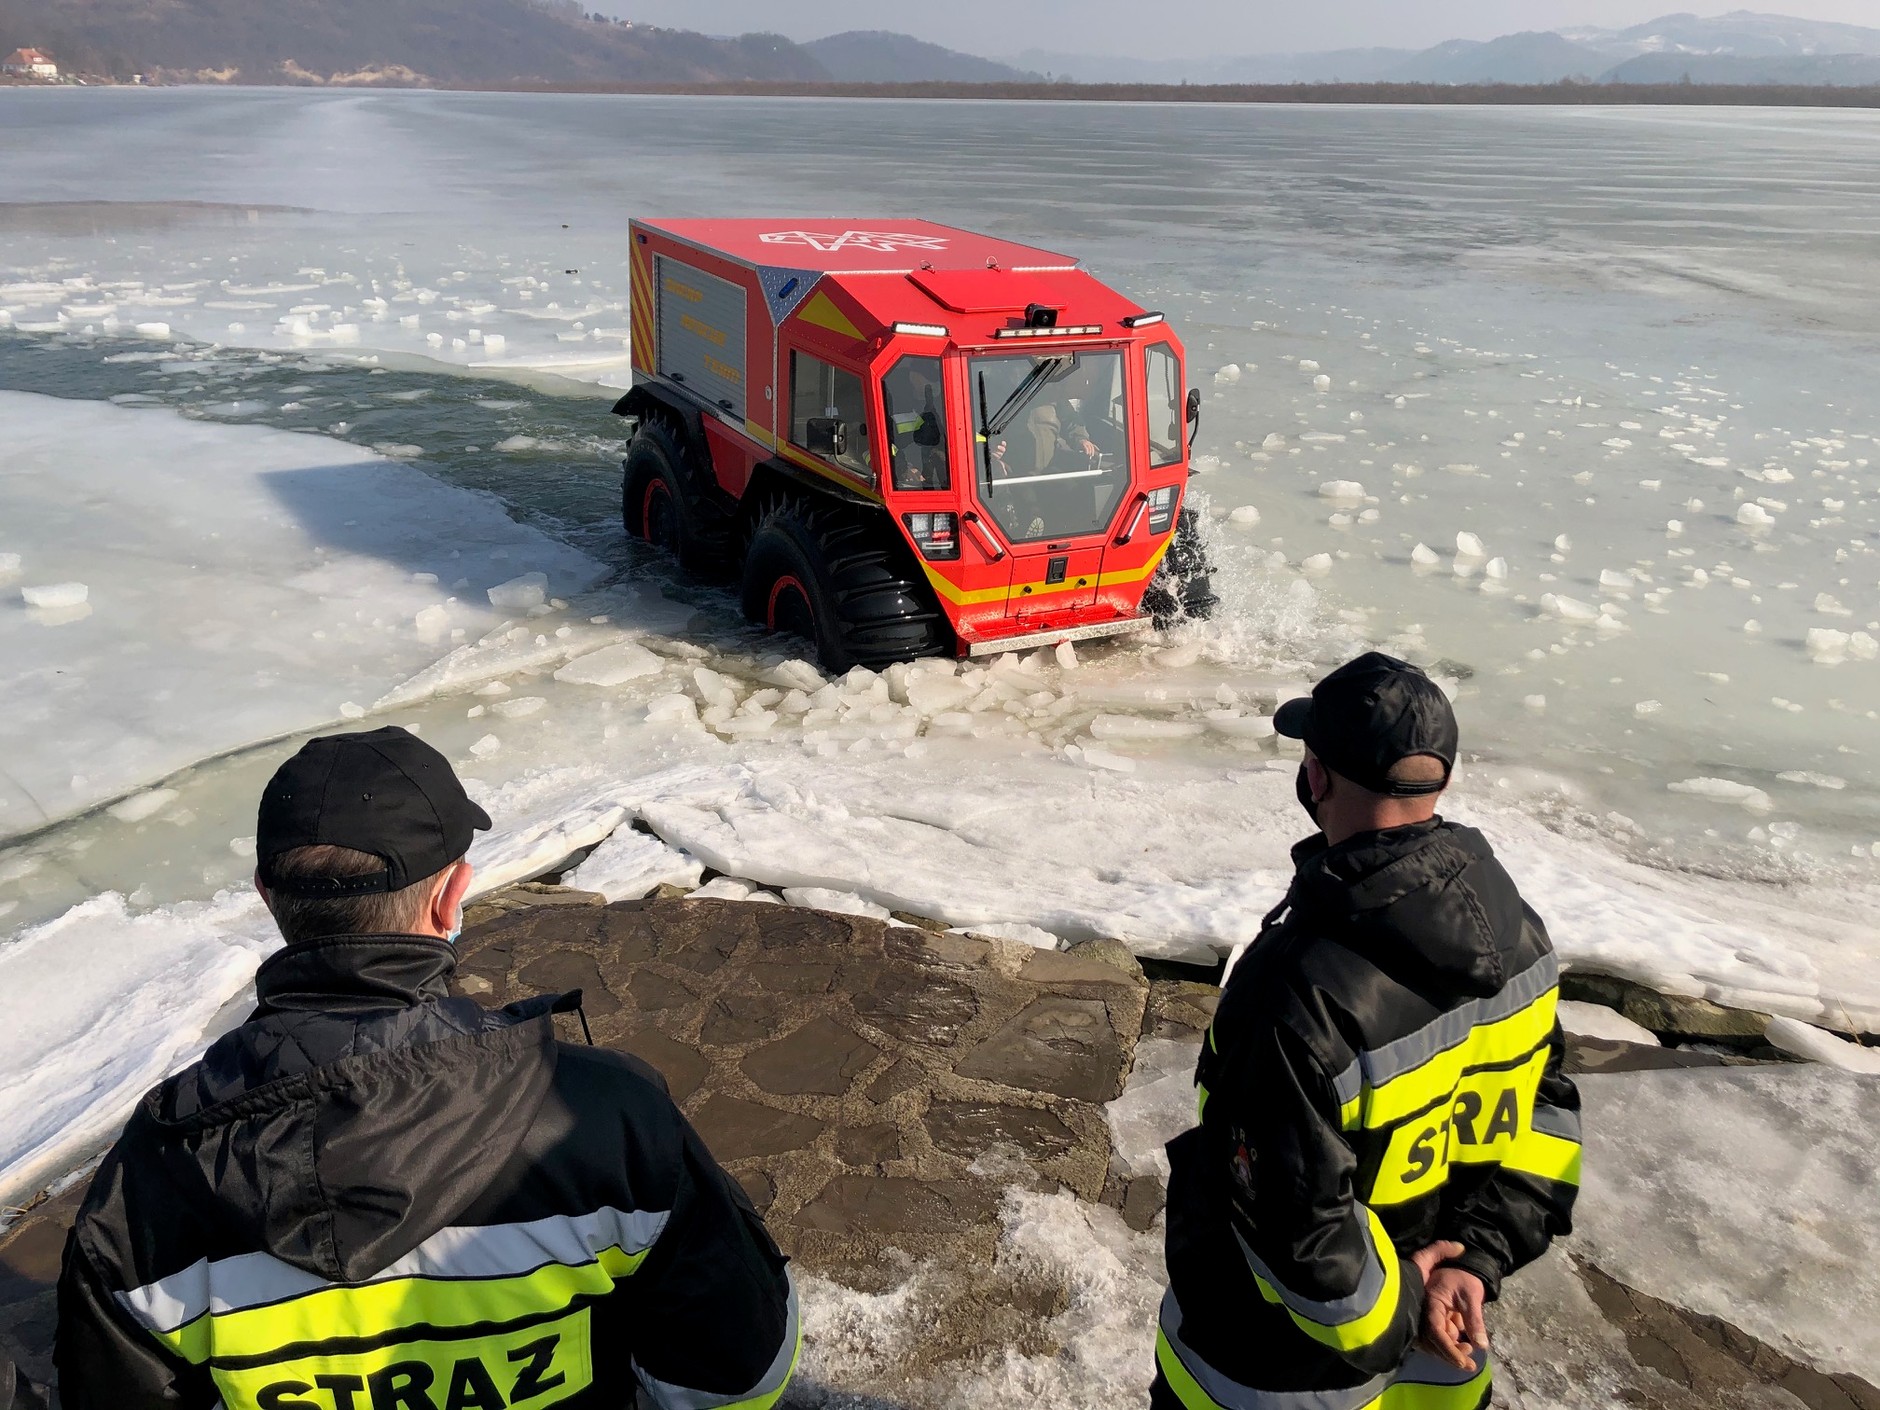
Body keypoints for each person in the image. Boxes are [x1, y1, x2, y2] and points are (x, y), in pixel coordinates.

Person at [55, 726, 798, 1410]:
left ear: (267, 897)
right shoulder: (608, 1119)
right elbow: (739, 1375)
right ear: (450, 897)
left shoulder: (151, 1176)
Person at [1154, 653, 1580, 1410]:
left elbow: (1294, 1233)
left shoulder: (1297, 992)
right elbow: (1544, 1121)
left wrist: (1406, 1301)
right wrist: (1473, 1262)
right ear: (1439, 779)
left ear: (1315, 777)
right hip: (1444, 1364)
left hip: (1274, 1375)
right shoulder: (1519, 935)